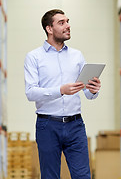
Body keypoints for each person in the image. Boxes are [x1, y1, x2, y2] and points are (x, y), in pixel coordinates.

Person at [24, 9, 101, 179]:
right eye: (62, 23)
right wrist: (60, 90)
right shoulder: (34, 57)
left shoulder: (77, 56)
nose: (68, 26)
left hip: (75, 125)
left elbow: (87, 92)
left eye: (67, 21)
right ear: (49, 29)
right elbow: (30, 92)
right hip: (47, 125)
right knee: (50, 176)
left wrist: (93, 89)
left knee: (83, 176)